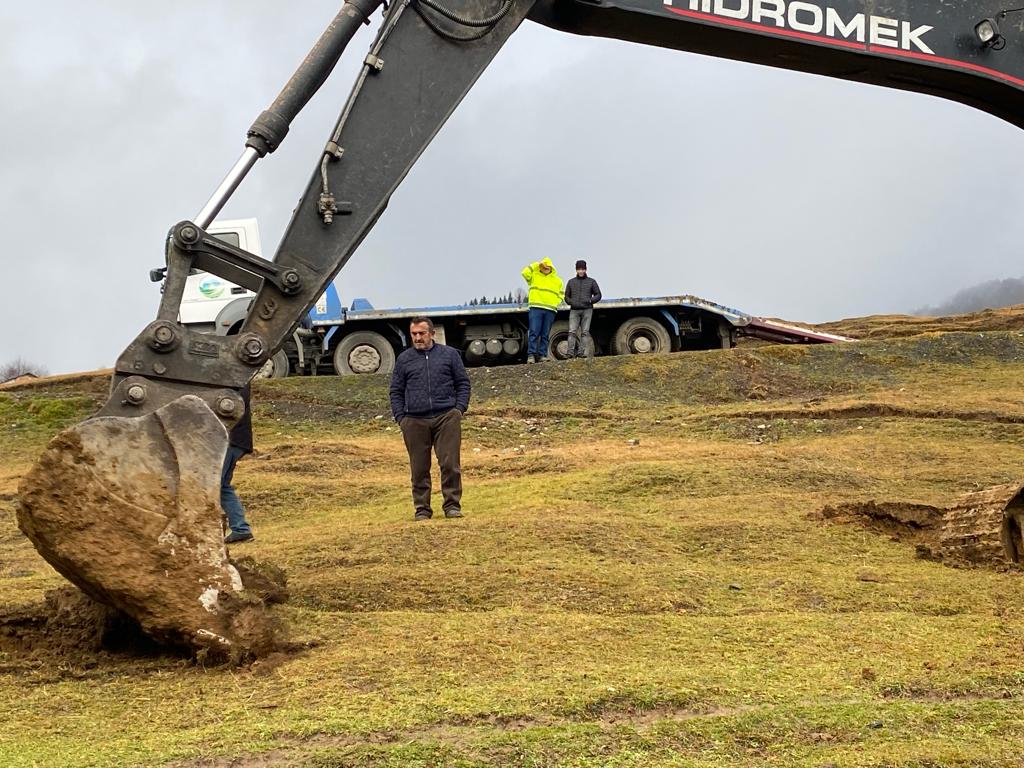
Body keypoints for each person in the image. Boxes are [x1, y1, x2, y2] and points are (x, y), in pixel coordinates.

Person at [389, 317, 471, 521]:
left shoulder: (450, 355)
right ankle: (422, 509)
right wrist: (402, 418)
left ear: (432, 334)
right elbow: (396, 391)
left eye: (421, 333)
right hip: (414, 421)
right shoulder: (404, 359)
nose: (417, 338)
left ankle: (452, 505)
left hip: (446, 417)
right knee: (419, 468)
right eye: (414, 334)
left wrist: (458, 409)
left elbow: (463, 383)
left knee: (450, 464)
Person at [222, 384, 255, 544]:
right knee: (222, 487)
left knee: (212, 485)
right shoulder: (239, 380)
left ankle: (239, 529)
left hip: (230, 440)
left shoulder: (234, 382)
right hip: (237, 440)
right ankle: (240, 529)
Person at [521, 257, 563, 363]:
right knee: (534, 332)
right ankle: (531, 355)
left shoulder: (557, 280)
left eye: (547, 267)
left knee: (545, 334)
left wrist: (556, 302)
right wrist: (536, 264)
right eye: (543, 267)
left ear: (551, 268)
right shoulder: (534, 276)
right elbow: (524, 273)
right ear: (540, 267)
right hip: (536, 308)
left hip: (550, 309)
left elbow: (562, 293)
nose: (545, 269)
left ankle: (543, 355)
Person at [563, 260, 602, 359]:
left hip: (587, 310)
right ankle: (570, 353)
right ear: (576, 270)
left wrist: (590, 300)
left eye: (582, 269)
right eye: (579, 269)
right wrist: (571, 302)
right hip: (574, 310)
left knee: (584, 332)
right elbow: (566, 296)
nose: (581, 271)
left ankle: (581, 353)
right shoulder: (571, 282)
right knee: (572, 331)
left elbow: (598, 294)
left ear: (585, 269)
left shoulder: (591, 281)